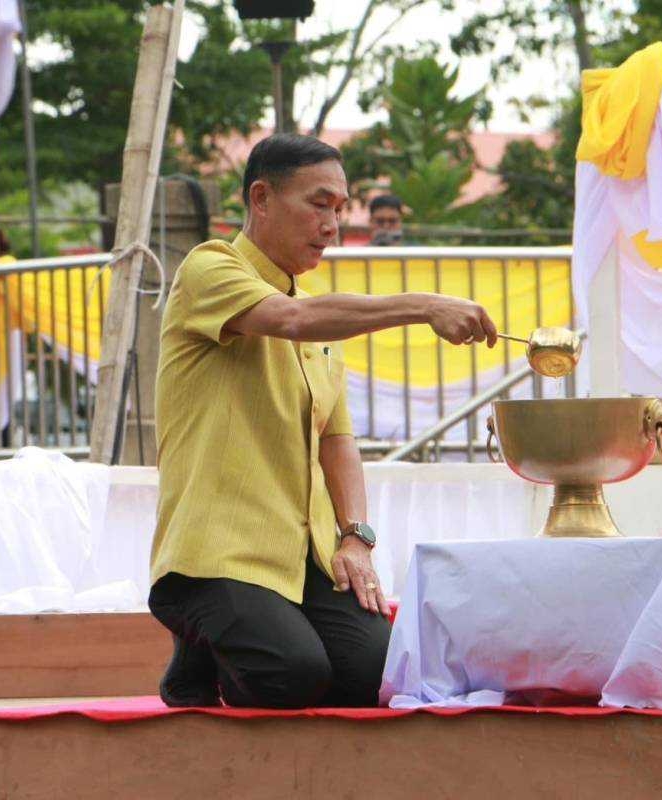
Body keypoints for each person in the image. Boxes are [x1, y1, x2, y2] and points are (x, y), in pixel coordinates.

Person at [147, 133, 498, 709]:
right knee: (292, 674)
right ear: (261, 198)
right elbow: (290, 318)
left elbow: (338, 441)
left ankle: (232, 644)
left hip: (306, 554)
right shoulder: (210, 268)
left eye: (340, 208)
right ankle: (198, 650)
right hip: (218, 552)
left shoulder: (321, 320)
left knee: (379, 678)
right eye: (318, 204)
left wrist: (355, 539)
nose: (332, 225)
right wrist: (424, 305)